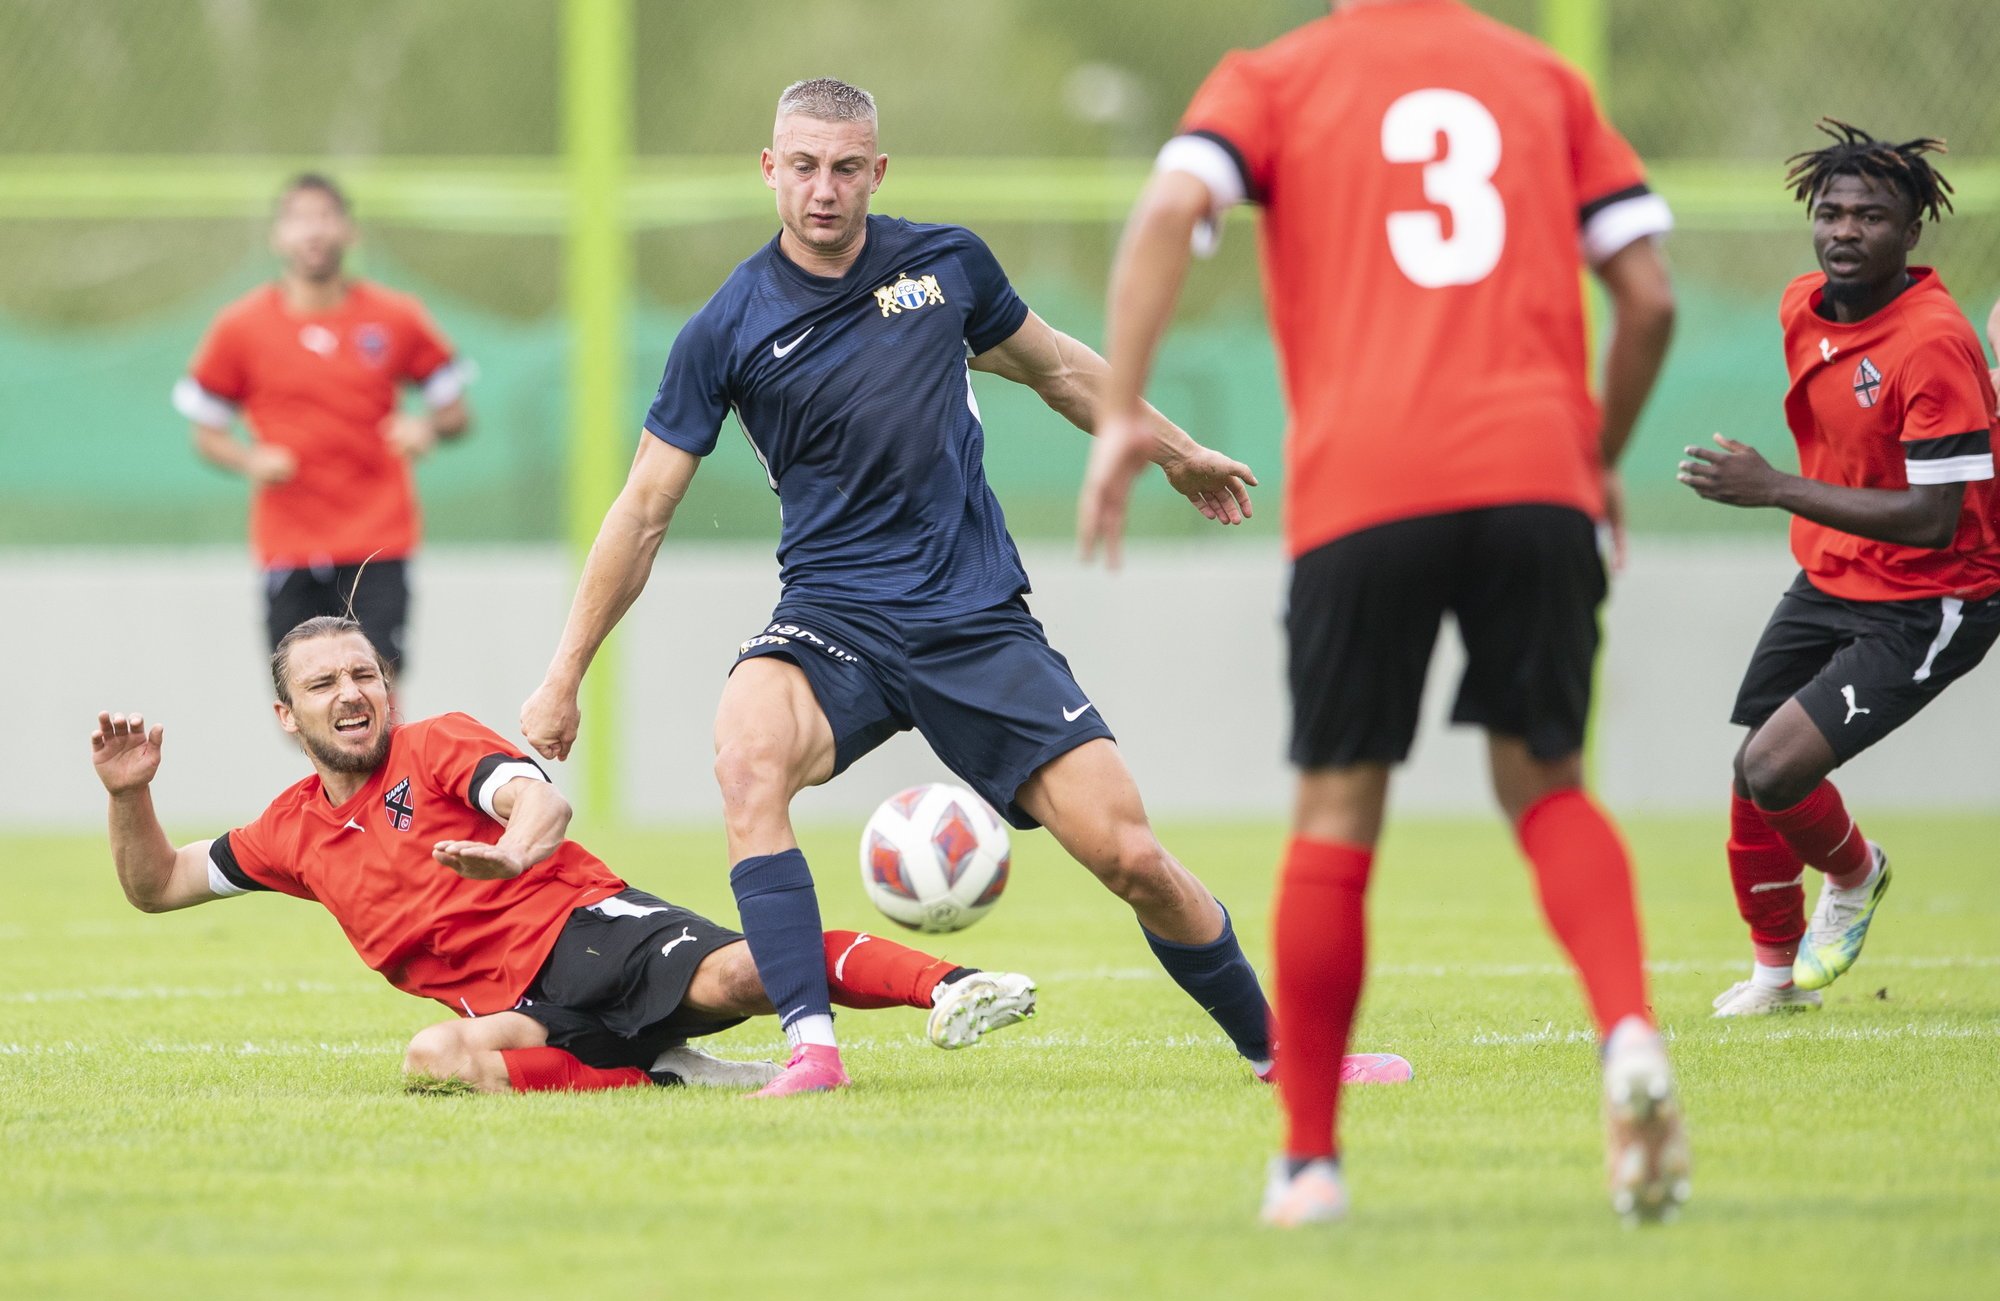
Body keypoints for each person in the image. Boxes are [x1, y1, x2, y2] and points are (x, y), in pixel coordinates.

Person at [520, 77, 1275, 1099]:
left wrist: (1174, 450)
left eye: (843, 168)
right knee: (746, 761)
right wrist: (564, 672)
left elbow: (1055, 369)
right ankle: (810, 1048)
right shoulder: (725, 328)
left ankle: (1281, 1053)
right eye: (801, 166)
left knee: (1131, 858)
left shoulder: (945, 265)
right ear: (768, 170)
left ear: (876, 172)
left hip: (973, 622)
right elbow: (644, 507)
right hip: (832, 618)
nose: (821, 190)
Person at [1083, 0, 1687, 1225]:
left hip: (1366, 487)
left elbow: (1163, 214)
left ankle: (1307, 1162)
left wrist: (1118, 417)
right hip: (1534, 479)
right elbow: (1650, 300)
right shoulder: (1539, 79)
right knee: (1549, 783)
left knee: (1338, 808)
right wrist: (1594, 452)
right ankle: (1626, 1033)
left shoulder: (1276, 76)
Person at [90, 616, 1034, 1096]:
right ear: (287, 716)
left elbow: (539, 795)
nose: (352, 692)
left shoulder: (437, 745)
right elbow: (158, 883)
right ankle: (661, 1072)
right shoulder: (287, 830)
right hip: (518, 1011)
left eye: (365, 674)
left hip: (588, 934)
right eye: (325, 682)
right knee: (435, 1060)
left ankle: (950, 982)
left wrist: (510, 854)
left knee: (745, 975)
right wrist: (129, 793)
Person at [1679, 122, 2000, 1017]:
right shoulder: (1800, 307)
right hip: (1834, 572)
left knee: (1777, 768)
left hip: (1934, 594)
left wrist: (1776, 487)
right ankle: (1776, 980)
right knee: (1754, 766)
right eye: (1831, 211)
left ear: (1911, 233)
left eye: (1871, 215)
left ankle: (1857, 877)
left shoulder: (1932, 342)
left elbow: (1937, 522)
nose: (1846, 229)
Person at [172, 172, 472, 674]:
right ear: (278, 236)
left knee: (375, 684)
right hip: (289, 542)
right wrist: (250, 459)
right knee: (301, 698)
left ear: (349, 231)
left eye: (326, 217)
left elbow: (455, 411)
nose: (313, 231)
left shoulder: (396, 317)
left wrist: (427, 428)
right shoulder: (240, 327)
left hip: (377, 537)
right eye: (299, 219)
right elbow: (206, 432)